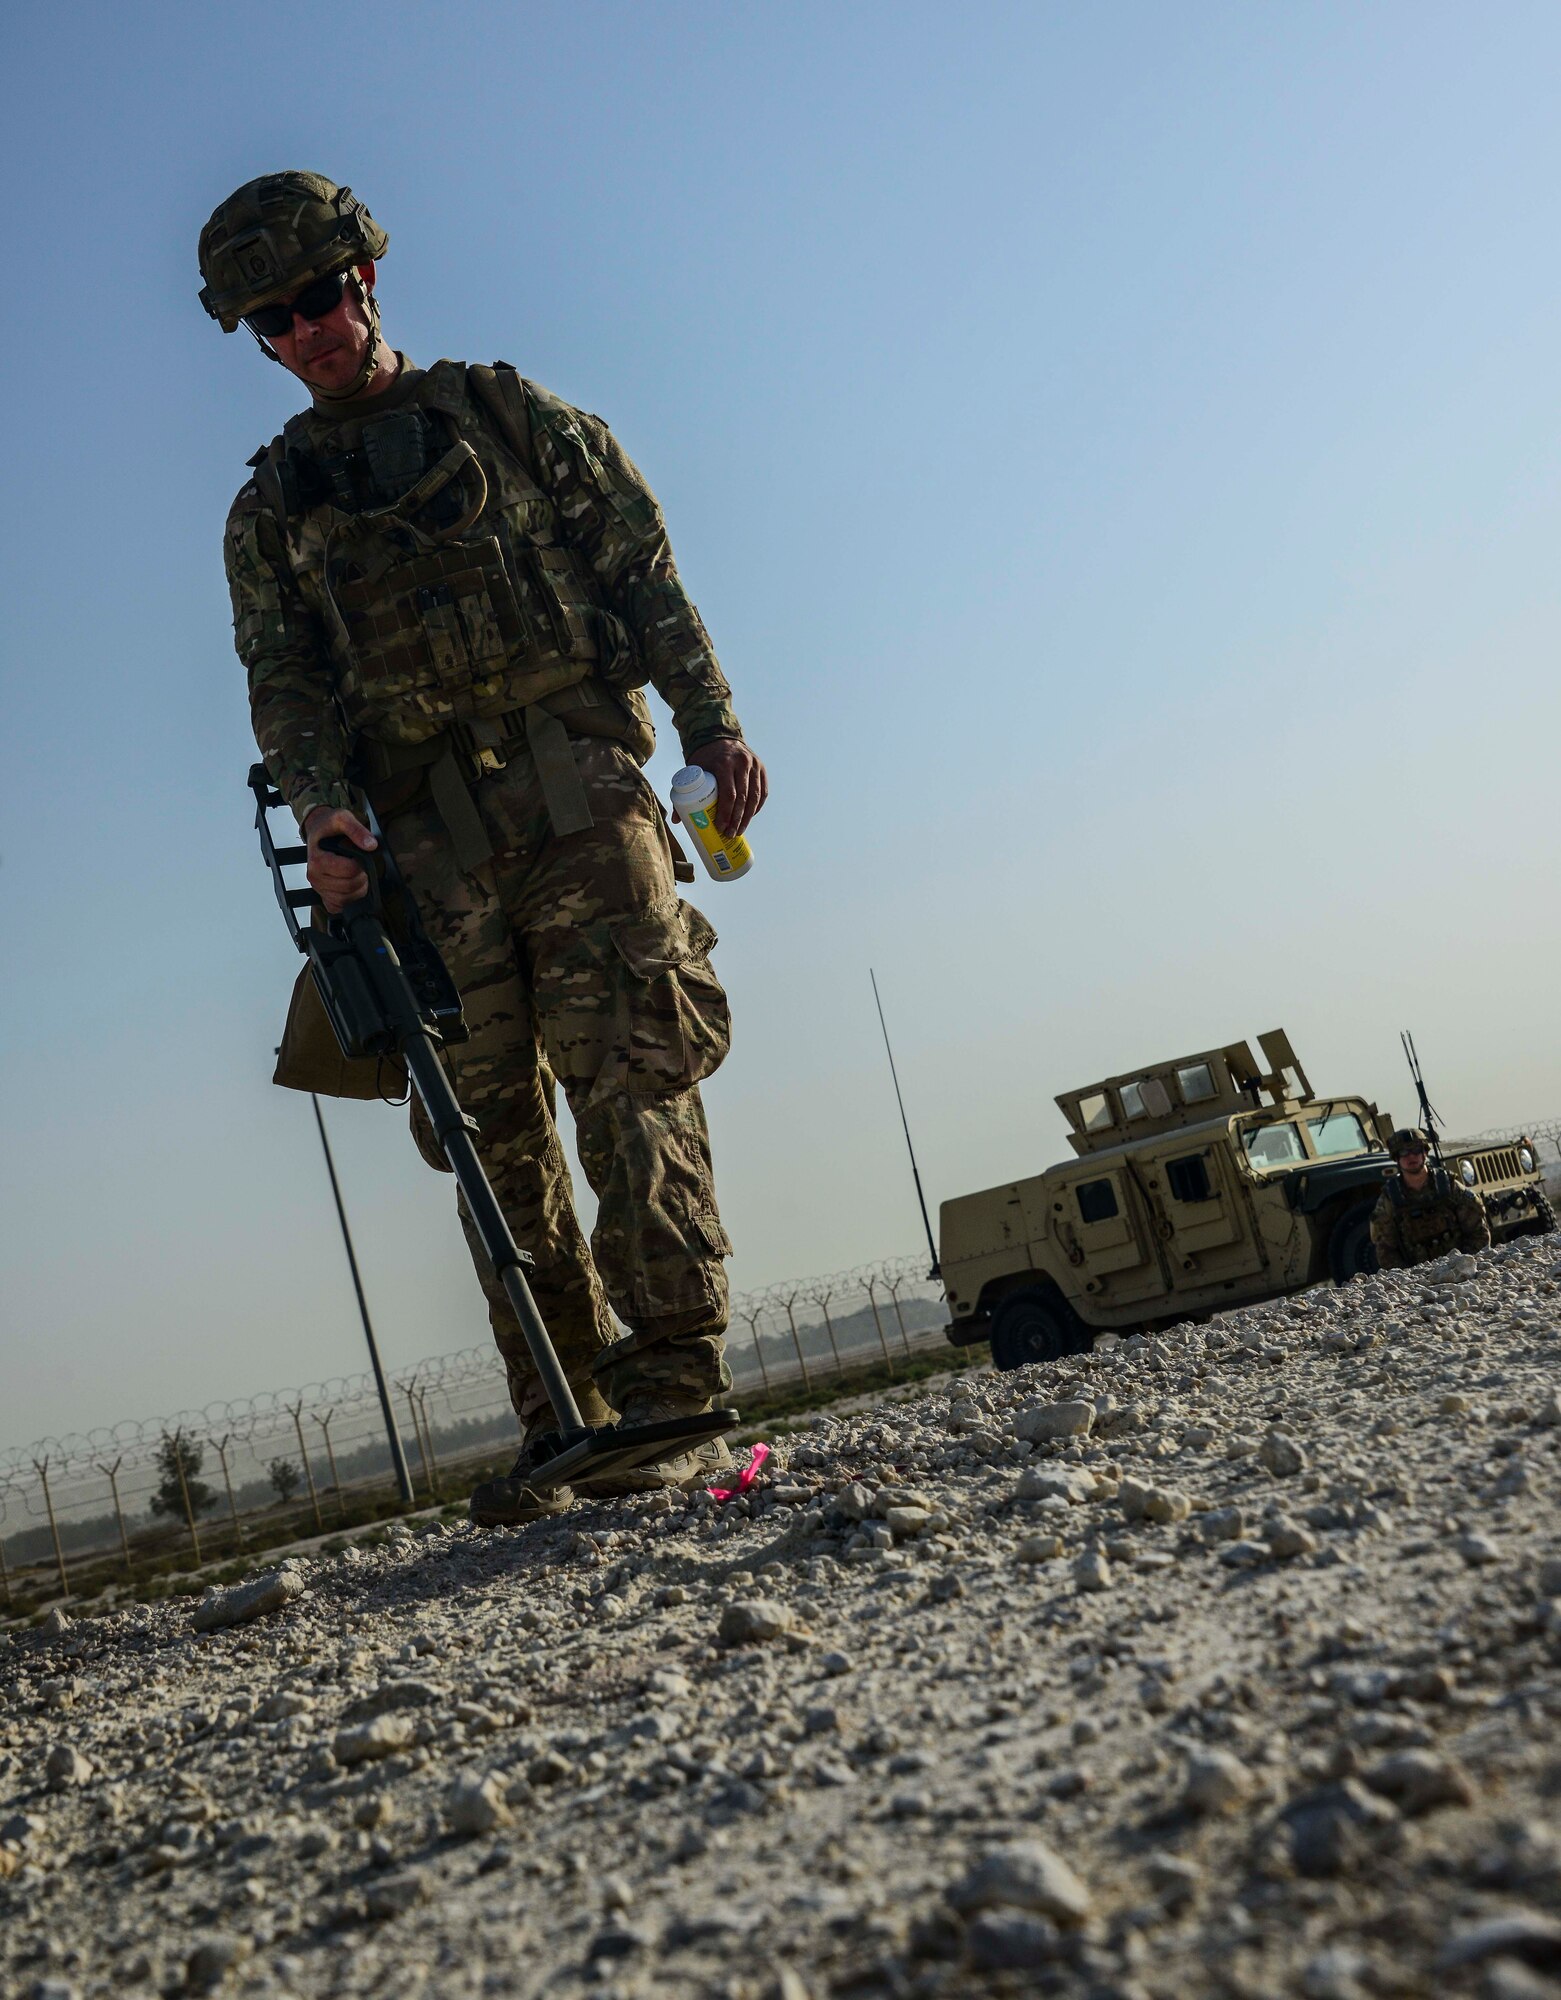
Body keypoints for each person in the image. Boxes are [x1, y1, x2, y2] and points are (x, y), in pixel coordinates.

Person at [200, 173, 767, 1523]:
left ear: (366, 281)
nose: (308, 332)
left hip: (582, 804)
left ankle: (673, 1389)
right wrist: (327, 813)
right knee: (489, 1135)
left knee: (632, 1079)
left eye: (321, 298)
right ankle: (562, 1418)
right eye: (275, 321)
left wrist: (712, 721)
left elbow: (639, 565)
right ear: (259, 338)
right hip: (424, 857)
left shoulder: (511, 419)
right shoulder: (272, 510)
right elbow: (281, 680)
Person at [1369, 1128, 1490, 1269]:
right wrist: (1409, 1276)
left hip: (1461, 1267)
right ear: (1396, 1158)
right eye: (1404, 1153)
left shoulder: (1447, 1185)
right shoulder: (1391, 1197)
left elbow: (1478, 1230)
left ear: (1425, 1153)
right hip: (1417, 1276)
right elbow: (1385, 1249)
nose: (1411, 1157)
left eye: (1416, 1150)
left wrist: (1466, 1263)